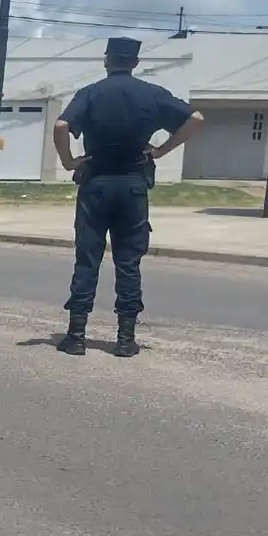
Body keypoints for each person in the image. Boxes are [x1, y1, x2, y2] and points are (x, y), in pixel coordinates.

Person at [53, 36, 204, 358]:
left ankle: (77, 336)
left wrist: (68, 162)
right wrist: (161, 150)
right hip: (133, 186)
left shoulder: (91, 93)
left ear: (107, 60)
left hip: (97, 185)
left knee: (88, 259)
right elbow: (197, 119)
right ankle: (124, 339)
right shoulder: (152, 95)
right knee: (128, 262)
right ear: (134, 63)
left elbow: (62, 124)